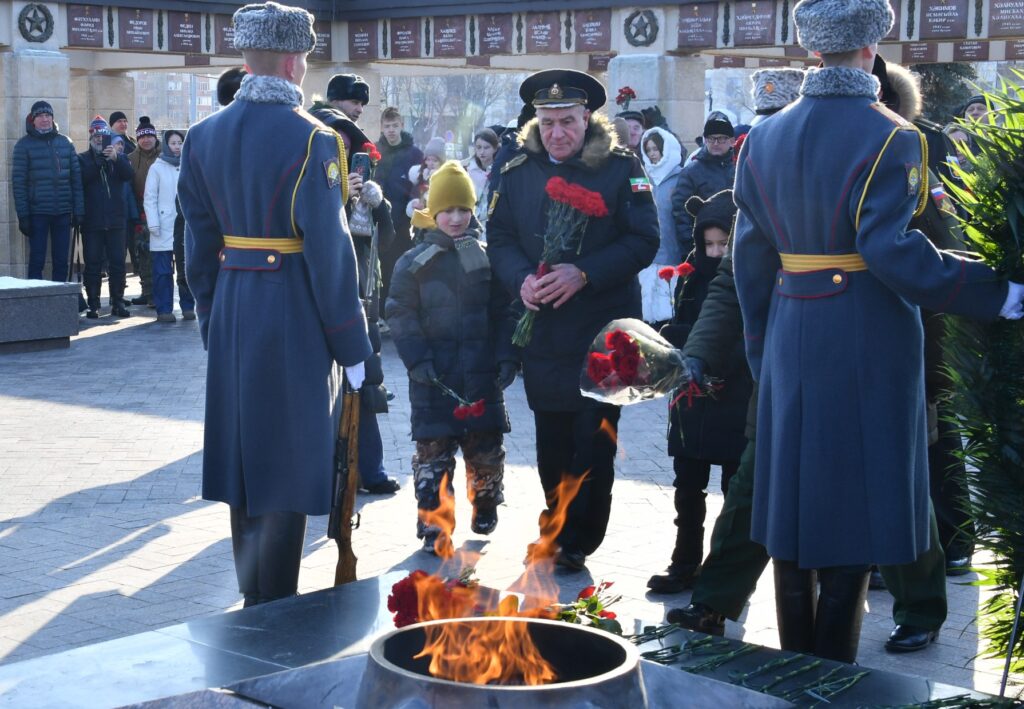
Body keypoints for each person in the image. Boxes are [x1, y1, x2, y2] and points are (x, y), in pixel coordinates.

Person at [732, 0, 1022, 663]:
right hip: (865, 338)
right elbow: (896, 256)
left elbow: (750, 261)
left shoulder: (764, 138)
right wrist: (1000, 292)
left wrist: (761, 348)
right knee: (853, 510)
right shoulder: (894, 135)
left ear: (815, 52)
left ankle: (796, 671)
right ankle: (831, 675)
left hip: (787, 333)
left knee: (793, 514)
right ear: (872, 51)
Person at [178, 1, 371, 607]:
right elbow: (331, 255)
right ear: (295, 60)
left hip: (234, 305)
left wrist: (211, 313)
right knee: (287, 457)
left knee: (243, 456)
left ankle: (252, 596)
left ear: (247, 57)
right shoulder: (315, 139)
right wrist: (354, 346)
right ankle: (276, 608)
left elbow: (197, 241)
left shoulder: (205, 135)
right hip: (291, 309)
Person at [488, 69, 659, 571]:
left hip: (603, 330)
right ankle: (555, 525)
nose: (557, 133)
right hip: (544, 328)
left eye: (568, 121)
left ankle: (577, 539)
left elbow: (644, 240)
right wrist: (521, 278)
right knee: (552, 437)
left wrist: (584, 273)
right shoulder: (517, 168)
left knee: (594, 439)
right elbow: (497, 237)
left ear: (588, 118)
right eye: (548, 122)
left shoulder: (619, 167)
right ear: (535, 122)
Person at [386, 161, 516, 552]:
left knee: (485, 454)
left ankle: (486, 503)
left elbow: (505, 310)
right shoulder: (413, 262)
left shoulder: (486, 257)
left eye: (463, 210)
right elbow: (399, 313)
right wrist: (417, 359)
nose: (456, 218)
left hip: (481, 376)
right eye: (448, 210)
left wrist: (507, 356)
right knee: (433, 459)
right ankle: (434, 524)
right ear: (433, 211)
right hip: (433, 380)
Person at [649, 190, 752, 594]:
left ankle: (723, 571)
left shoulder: (748, 279)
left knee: (733, 489)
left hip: (734, 397)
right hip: (691, 400)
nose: (713, 252)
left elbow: (744, 334)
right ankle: (684, 562)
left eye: (722, 244)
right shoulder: (689, 280)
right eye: (707, 244)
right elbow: (685, 325)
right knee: (687, 490)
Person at [311, 75, 402, 496]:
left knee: (362, 378)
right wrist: (337, 199)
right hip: (329, 286)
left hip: (360, 281)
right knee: (344, 379)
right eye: (352, 102)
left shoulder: (344, 140)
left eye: (360, 105)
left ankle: (366, 467)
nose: (357, 110)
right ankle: (349, 468)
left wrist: (375, 202)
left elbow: (382, 234)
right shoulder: (317, 138)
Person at [13, 101, 84, 283]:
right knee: (37, 260)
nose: (45, 119)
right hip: (37, 213)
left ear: (53, 118)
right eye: (40, 116)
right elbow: (19, 183)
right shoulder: (23, 145)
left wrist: (79, 211)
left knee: (61, 261)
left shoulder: (65, 143)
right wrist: (23, 216)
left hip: (63, 212)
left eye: (48, 115)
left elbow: (76, 180)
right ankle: (35, 302)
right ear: (33, 120)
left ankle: (61, 302)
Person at [79, 116, 134, 319]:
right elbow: (82, 179)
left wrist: (116, 159)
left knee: (118, 263)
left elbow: (129, 175)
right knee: (92, 263)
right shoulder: (83, 158)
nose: (98, 139)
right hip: (92, 221)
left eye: (102, 135)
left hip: (116, 220)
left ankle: (117, 302)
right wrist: (97, 164)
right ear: (91, 135)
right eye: (95, 134)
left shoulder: (119, 156)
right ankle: (93, 304)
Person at [144, 129, 194, 323]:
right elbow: (150, 198)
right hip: (163, 225)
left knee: (185, 268)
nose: (176, 147)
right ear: (165, 144)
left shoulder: (189, 166)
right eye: (172, 143)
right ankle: (164, 309)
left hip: (185, 226)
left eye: (179, 143)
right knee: (163, 271)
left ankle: (188, 307)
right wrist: (153, 223)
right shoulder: (157, 168)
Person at [637, 127, 685, 324]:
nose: (652, 154)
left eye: (656, 149)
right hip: (647, 252)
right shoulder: (640, 176)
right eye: (648, 150)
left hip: (672, 249)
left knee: (670, 303)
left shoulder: (681, 177)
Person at [375, 106, 423, 304]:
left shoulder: (414, 154)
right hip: (379, 222)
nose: (391, 130)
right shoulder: (375, 152)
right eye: (387, 126)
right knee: (381, 268)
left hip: (405, 223)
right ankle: (382, 310)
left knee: (402, 267)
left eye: (395, 125)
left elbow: (422, 186)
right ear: (382, 128)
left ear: (402, 125)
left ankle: (404, 306)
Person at [671, 112, 736, 255]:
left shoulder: (741, 167)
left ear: (732, 141)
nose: (716, 143)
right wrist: (692, 246)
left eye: (722, 139)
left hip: (737, 245)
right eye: (711, 139)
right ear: (705, 140)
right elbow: (680, 212)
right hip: (705, 247)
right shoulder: (691, 172)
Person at [128, 117, 160, 306]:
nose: (146, 140)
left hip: (161, 209)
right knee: (141, 252)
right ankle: (146, 291)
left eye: (149, 136)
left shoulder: (165, 155)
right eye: (142, 136)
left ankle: (158, 292)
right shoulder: (131, 158)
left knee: (159, 252)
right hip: (139, 211)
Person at [463, 128, 498, 231]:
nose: (482, 152)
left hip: (491, 223)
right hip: (470, 223)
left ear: (495, 148)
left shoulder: (501, 170)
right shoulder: (467, 169)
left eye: (486, 147)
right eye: (479, 147)